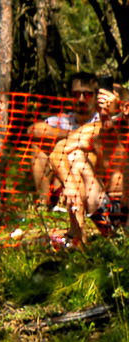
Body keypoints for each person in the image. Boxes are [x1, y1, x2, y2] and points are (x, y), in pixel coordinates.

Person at [47, 90, 128, 244]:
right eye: (100, 108)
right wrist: (70, 184)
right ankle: (77, 238)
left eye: (107, 108)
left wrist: (115, 114)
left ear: (125, 108)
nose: (103, 114)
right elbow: (56, 153)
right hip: (107, 209)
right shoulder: (94, 131)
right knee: (74, 158)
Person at [14, 73, 101, 204]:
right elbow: (32, 130)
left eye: (87, 94)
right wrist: (71, 134)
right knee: (38, 147)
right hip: (59, 172)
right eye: (76, 94)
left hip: (91, 183)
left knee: (79, 151)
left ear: (96, 97)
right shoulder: (65, 120)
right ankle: (43, 202)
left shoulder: (101, 120)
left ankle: (72, 201)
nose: (81, 99)